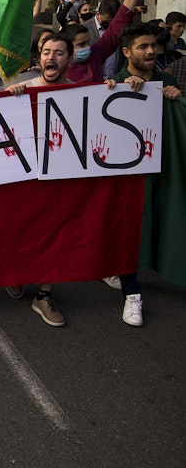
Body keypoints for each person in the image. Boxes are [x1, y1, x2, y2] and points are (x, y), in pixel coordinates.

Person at [104, 23, 182, 327]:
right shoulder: (114, 82)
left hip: (156, 170)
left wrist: (173, 96)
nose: (150, 51)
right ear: (126, 52)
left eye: (153, 46)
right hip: (124, 177)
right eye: (142, 47)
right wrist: (115, 89)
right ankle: (132, 294)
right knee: (127, 231)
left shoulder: (166, 79)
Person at [3, 33, 79, 326]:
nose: (51, 57)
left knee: (56, 232)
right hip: (23, 179)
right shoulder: (20, 90)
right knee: (21, 228)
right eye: (47, 52)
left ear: (69, 60)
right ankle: (18, 272)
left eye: (59, 53)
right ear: (39, 58)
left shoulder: (84, 95)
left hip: (60, 179)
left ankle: (44, 294)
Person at [66, 0, 147, 83]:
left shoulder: (94, 55)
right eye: (81, 44)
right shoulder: (58, 68)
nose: (87, 47)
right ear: (67, 48)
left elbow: (117, 26)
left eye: (87, 42)